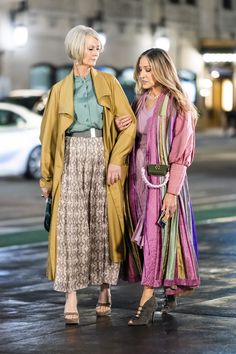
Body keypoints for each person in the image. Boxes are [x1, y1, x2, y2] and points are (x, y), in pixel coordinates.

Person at [39, 25, 136, 325]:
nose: (97, 52)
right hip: (69, 158)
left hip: (102, 155)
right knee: (70, 228)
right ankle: (71, 296)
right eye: (92, 47)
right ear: (78, 47)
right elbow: (48, 137)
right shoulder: (58, 91)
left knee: (102, 225)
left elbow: (129, 123)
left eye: (99, 48)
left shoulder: (109, 82)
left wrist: (117, 160)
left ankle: (105, 288)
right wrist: (46, 179)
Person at [116, 48, 200, 326]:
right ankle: (169, 286)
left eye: (149, 69)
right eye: (140, 69)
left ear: (162, 70)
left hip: (163, 183)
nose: (142, 74)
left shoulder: (178, 105)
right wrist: (121, 123)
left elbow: (181, 155)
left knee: (155, 236)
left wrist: (172, 193)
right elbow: (132, 136)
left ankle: (147, 301)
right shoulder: (139, 102)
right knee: (149, 239)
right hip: (137, 182)